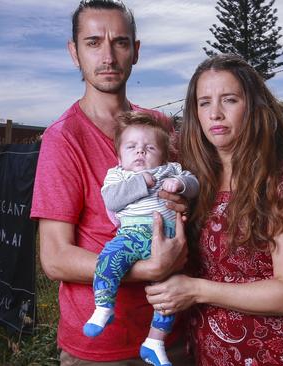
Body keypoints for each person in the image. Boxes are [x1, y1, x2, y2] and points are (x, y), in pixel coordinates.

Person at [30, 1, 193, 364]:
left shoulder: (160, 127)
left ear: (135, 51)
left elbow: (184, 196)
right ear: (74, 53)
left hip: (172, 331)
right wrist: (147, 270)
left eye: (119, 42)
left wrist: (184, 203)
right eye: (92, 43)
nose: (107, 55)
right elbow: (55, 258)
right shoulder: (64, 137)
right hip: (101, 349)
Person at [144, 54, 283, 365]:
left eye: (229, 100)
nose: (215, 113)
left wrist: (196, 290)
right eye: (204, 103)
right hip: (208, 352)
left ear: (254, 107)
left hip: (274, 353)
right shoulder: (196, 182)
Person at [83, 112, 199, 366]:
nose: (140, 153)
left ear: (164, 155)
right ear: (119, 155)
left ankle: (154, 342)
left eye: (149, 148)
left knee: (168, 295)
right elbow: (112, 200)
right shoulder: (118, 176)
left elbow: (194, 184)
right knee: (108, 260)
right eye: (132, 147)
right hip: (131, 236)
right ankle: (103, 307)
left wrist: (179, 184)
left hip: (166, 240)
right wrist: (141, 183)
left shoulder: (170, 170)